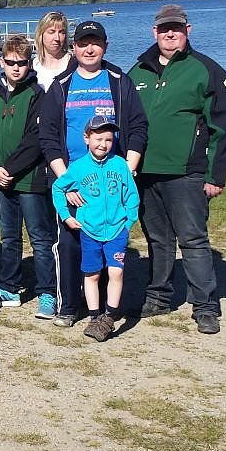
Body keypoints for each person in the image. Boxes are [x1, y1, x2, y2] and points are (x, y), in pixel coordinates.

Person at [128, 4, 226, 334]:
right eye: (164, 29)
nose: (169, 34)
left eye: (176, 28)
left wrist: (215, 176)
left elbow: (222, 127)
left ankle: (205, 305)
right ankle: (158, 297)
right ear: (154, 32)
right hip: (146, 172)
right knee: (157, 239)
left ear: (188, 30)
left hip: (187, 172)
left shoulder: (207, 70)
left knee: (193, 239)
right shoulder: (138, 72)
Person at [39, 20, 147, 327]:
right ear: (73, 47)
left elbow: (138, 126)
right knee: (70, 244)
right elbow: (48, 136)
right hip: (73, 179)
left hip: (110, 180)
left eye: (95, 43)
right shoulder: (61, 85)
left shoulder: (119, 82)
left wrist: (127, 168)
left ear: (105, 46)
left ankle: (103, 312)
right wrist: (66, 182)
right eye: (83, 43)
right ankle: (69, 306)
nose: (89, 49)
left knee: (107, 242)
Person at [0, 35, 55, 316]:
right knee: (9, 237)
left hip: (30, 180)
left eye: (21, 63)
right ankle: (9, 287)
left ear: (29, 64)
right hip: (2, 181)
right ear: (2, 62)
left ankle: (47, 291)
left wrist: (10, 169)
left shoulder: (38, 94)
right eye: (11, 62)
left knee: (40, 238)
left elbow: (35, 140)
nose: (16, 68)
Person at [51, 116, 140, 342]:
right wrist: (66, 216)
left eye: (108, 139)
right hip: (90, 231)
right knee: (92, 274)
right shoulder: (78, 167)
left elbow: (132, 195)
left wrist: (128, 221)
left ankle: (109, 316)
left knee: (116, 272)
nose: (103, 144)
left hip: (117, 230)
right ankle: (94, 316)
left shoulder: (120, 164)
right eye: (98, 139)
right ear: (86, 138)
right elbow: (58, 189)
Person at [33, 11, 71, 81]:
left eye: (61, 32)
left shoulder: (73, 65)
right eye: (51, 32)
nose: (57, 38)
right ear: (41, 34)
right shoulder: (32, 66)